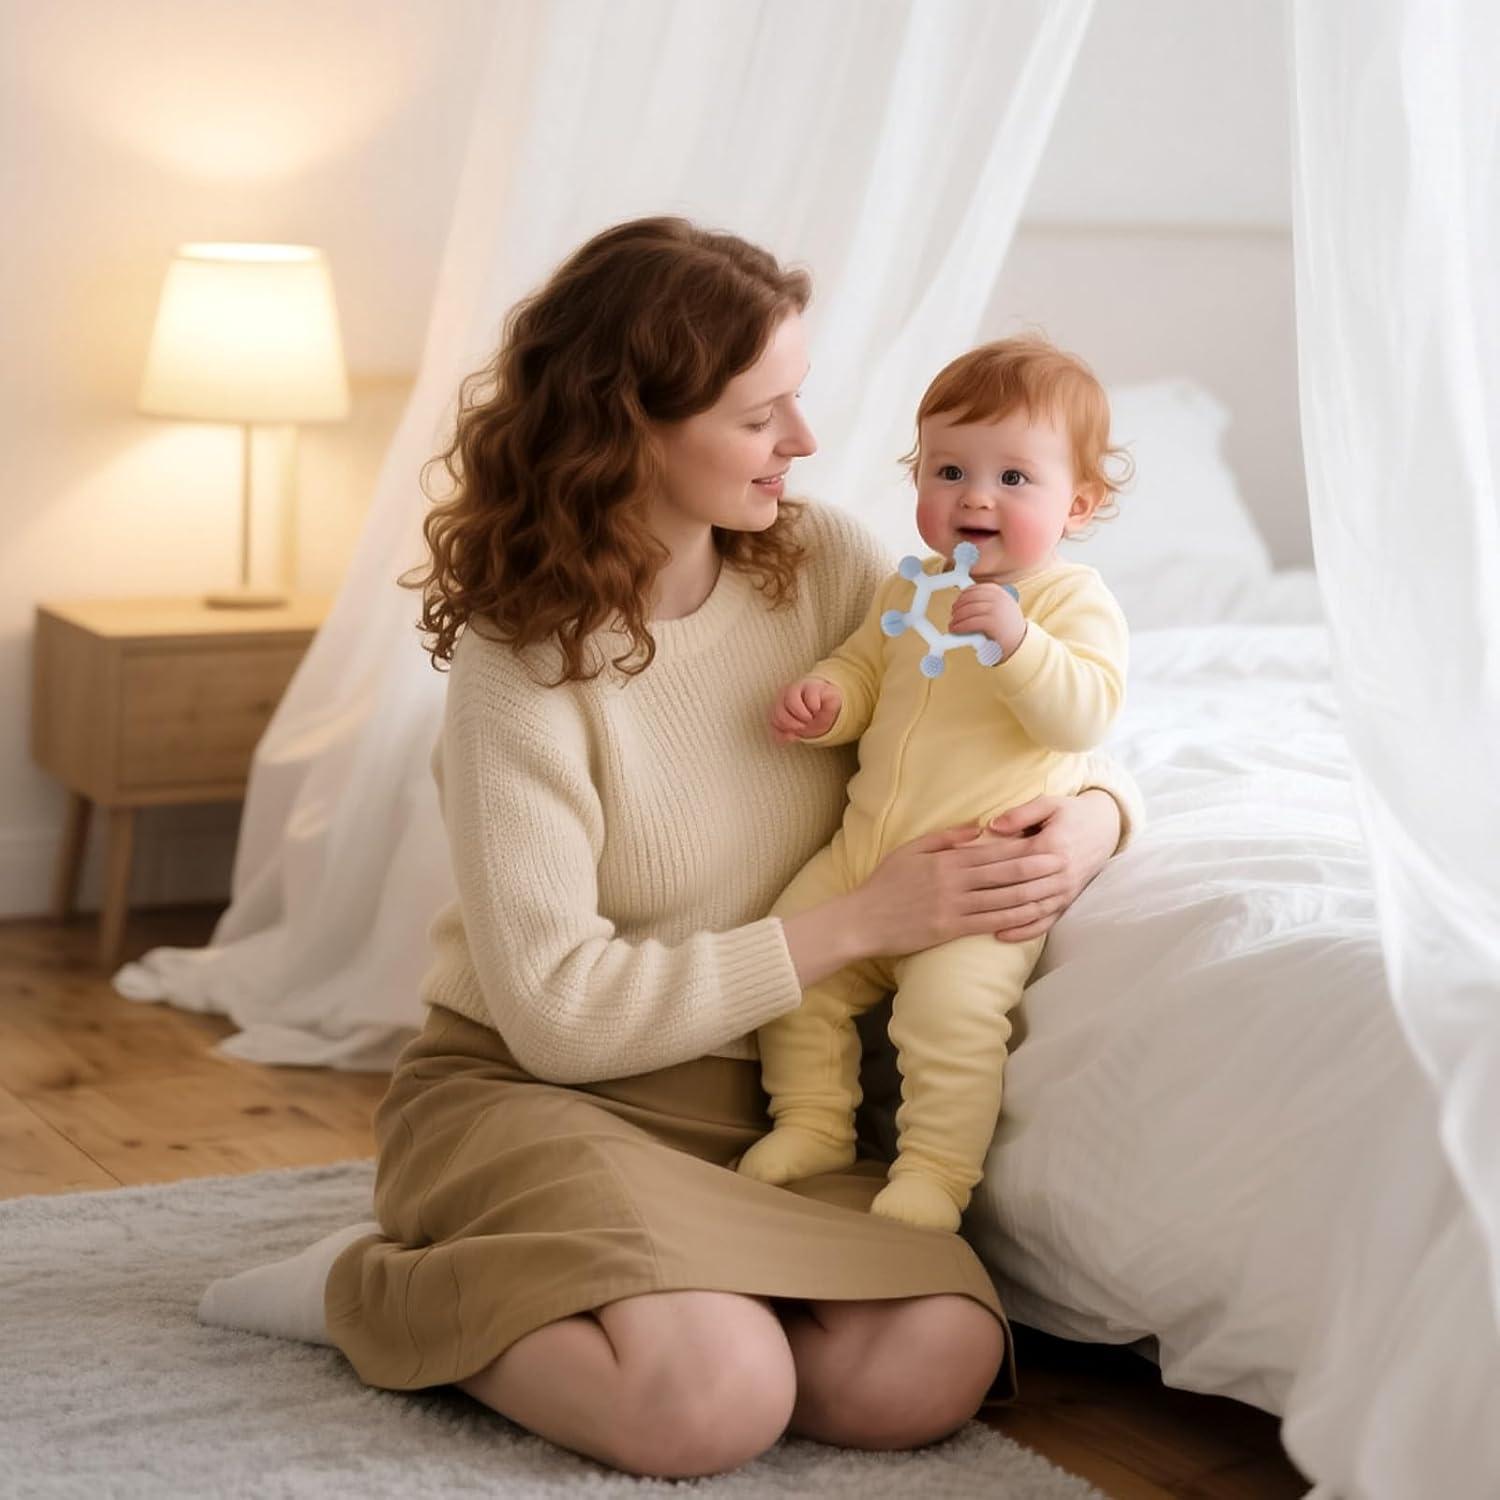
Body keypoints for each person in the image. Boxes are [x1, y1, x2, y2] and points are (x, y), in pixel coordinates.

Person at [321, 216, 1145, 1480]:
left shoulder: (822, 565)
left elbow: (1005, 729)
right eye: (764, 414)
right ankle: (380, 1293)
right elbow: (556, 1017)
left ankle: (649, 1293)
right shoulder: (520, 665)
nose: (807, 443)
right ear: (632, 426)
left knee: (921, 1369)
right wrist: (866, 921)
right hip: (543, 1093)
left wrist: (1093, 825)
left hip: (765, 1099)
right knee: (710, 1402)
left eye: (799, 402)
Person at [738, 337, 1130, 1235]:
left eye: (1014, 479)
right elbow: (869, 671)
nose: (975, 497)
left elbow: (1086, 719)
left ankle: (935, 1173)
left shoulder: (1070, 603)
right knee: (791, 970)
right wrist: (828, 700)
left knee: (949, 1020)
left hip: (982, 870)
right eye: (948, 469)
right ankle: (812, 1123)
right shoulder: (905, 590)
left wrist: (1020, 646)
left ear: (1078, 503)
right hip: (867, 849)